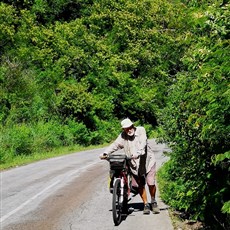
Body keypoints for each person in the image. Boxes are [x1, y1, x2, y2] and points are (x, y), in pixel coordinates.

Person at [101, 118, 160, 214]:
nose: (128, 130)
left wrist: (139, 152)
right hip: (134, 164)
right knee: (140, 184)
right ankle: (145, 204)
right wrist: (105, 152)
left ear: (133, 126)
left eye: (130, 127)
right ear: (123, 129)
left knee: (151, 183)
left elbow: (143, 142)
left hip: (147, 161)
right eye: (126, 128)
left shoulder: (141, 130)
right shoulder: (123, 136)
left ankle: (153, 201)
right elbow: (115, 145)